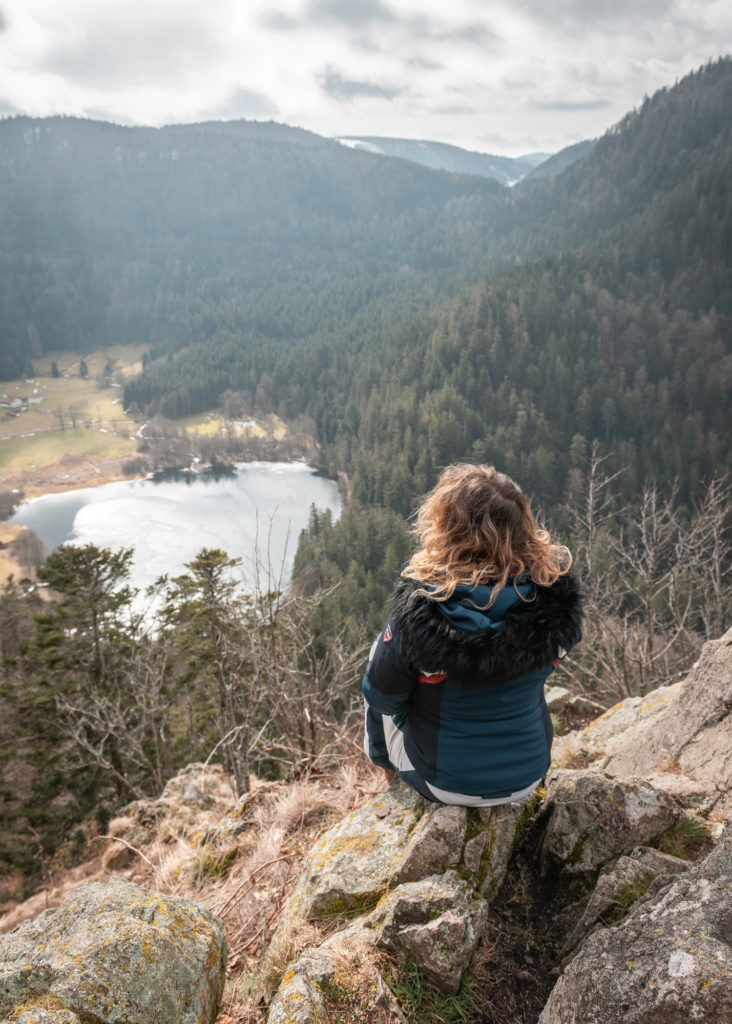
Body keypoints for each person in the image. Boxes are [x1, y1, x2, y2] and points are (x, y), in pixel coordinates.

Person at [362, 463, 582, 806]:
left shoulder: (422, 612)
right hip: (529, 775)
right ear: (523, 528)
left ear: (447, 528)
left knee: (382, 661)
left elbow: (381, 697)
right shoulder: (552, 604)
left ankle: (388, 768)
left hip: (446, 782)